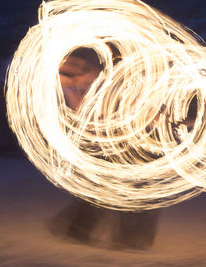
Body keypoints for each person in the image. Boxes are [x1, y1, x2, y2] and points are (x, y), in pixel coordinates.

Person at [49, 48, 159, 250]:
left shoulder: (90, 82)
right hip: (107, 139)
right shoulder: (93, 82)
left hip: (109, 138)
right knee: (127, 188)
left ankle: (78, 229)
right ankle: (129, 238)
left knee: (108, 187)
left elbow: (141, 108)